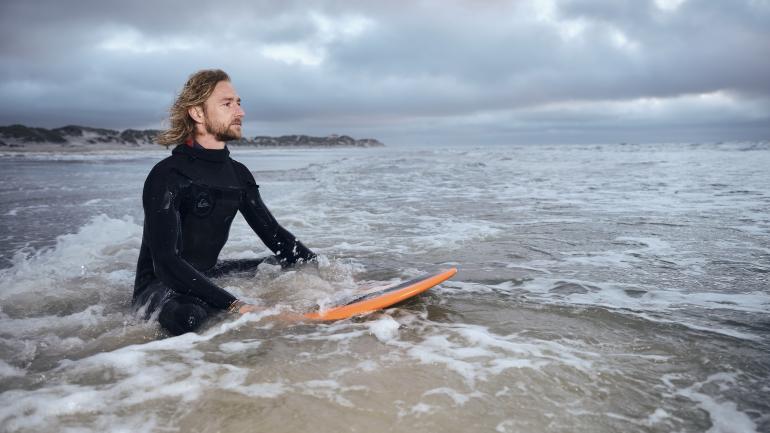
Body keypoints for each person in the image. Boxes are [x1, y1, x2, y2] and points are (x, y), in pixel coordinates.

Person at [133, 69, 315, 335]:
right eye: (227, 104)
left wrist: (329, 277)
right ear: (197, 113)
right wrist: (238, 306)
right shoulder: (168, 175)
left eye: (239, 103)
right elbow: (166, 263)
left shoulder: (238, 174)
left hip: (207, 273)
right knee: (189, 319)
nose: (240, 112)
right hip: (160, 285)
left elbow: (276, 237)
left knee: (279, 263)